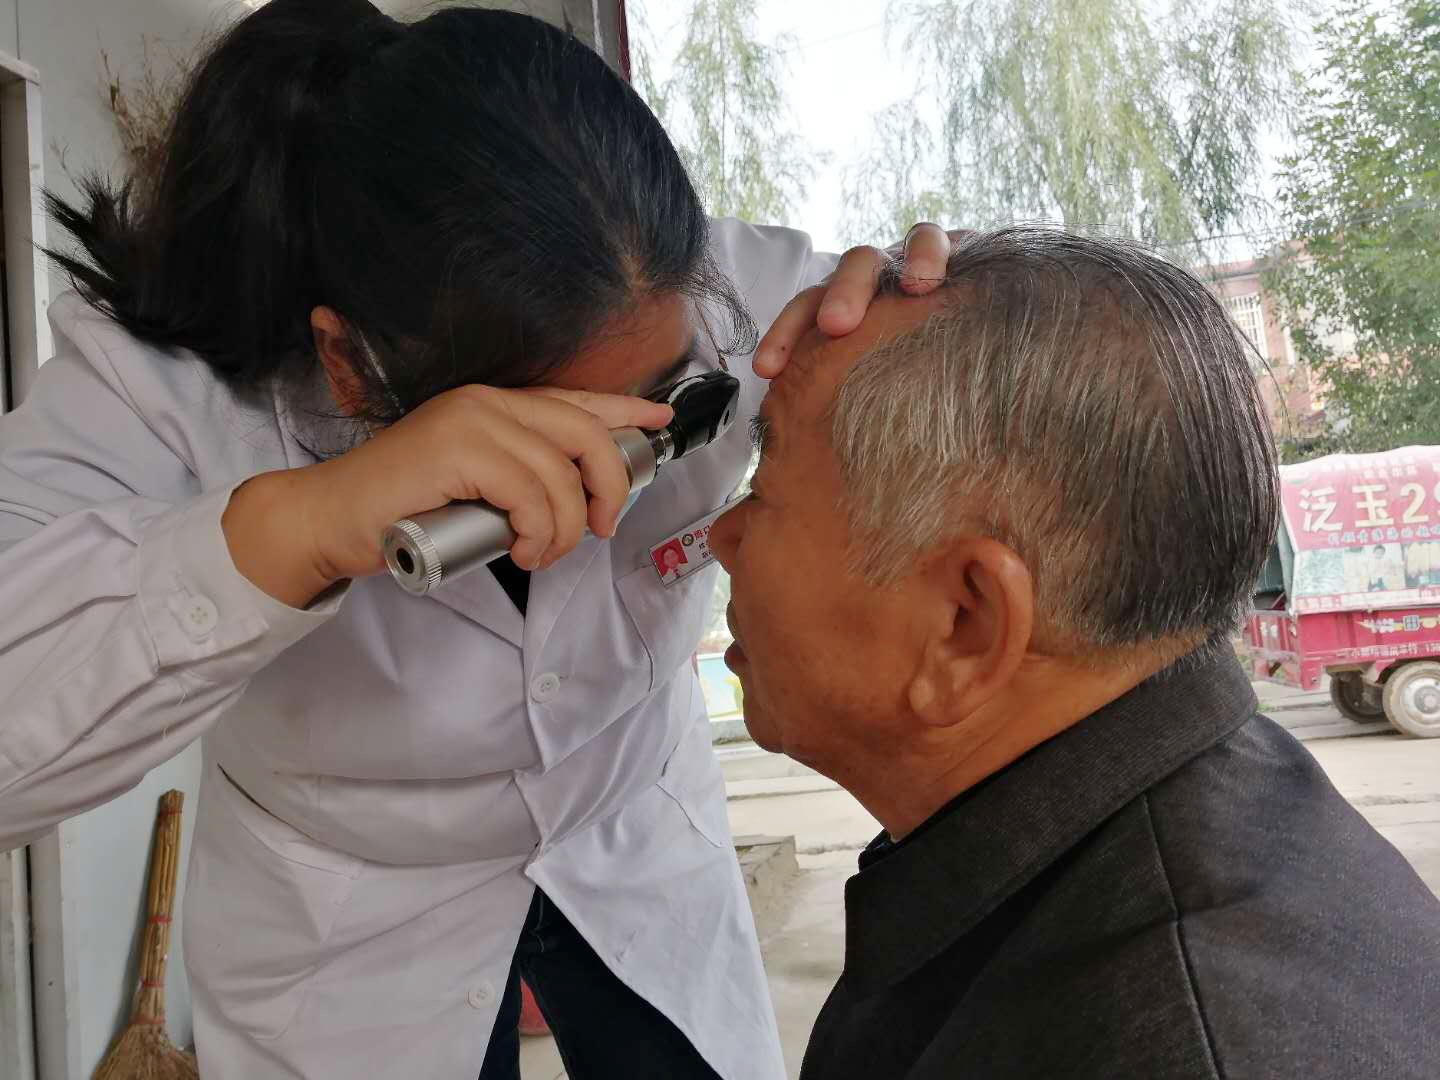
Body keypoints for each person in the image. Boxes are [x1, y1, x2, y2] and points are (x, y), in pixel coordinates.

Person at [0, 2, 958, 1077]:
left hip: (630, 828)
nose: (601, 506)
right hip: (356, 910)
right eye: (552, 456)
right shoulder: (161, 387)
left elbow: (1001, 378)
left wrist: (966, 310)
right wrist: (301, 528)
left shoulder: (726, 295)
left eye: (658, 415)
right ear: (350, 365)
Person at [711, 226, 1440, 1080]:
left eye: (763, 491)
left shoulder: (1178, 1038)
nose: (721, 537)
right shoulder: (1152, 834)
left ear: (967, 624)